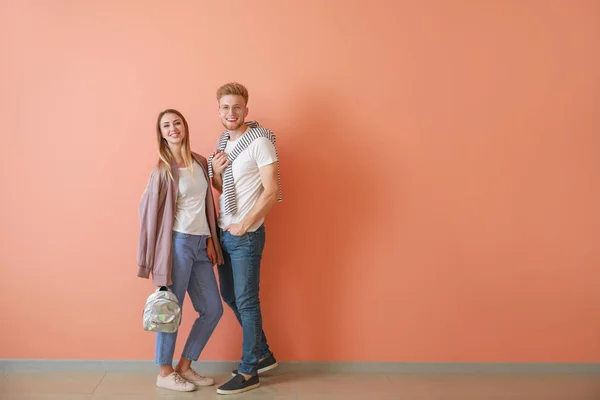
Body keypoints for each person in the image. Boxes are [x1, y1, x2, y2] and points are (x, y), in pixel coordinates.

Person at [138, 109, 224, 392]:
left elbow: (207, 204)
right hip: (178, 244)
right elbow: (148, 213)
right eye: (166, 125)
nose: (173, 128)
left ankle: (184, 367)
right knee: (169, 309)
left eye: (177, 123)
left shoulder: (200, 162)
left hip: (201, 244)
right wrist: (151, 256)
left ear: (184, 126)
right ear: (161, 134)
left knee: (212, 309)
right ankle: (164, 371)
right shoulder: (162, 170)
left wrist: (211, 239)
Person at [208, 82, 282, 395]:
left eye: (237, 107)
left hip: (247, 235)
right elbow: (224, 190)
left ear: (246, 110)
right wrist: (214, 170)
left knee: (248, 301)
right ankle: (262, 353)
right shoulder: (223, 142)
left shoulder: (260, 142)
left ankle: (250, 370)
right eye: (225, 107)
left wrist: (245, 224)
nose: (231, 113)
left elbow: (272, 191)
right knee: (230, 296)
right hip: (226, 231)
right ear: (219, 110)